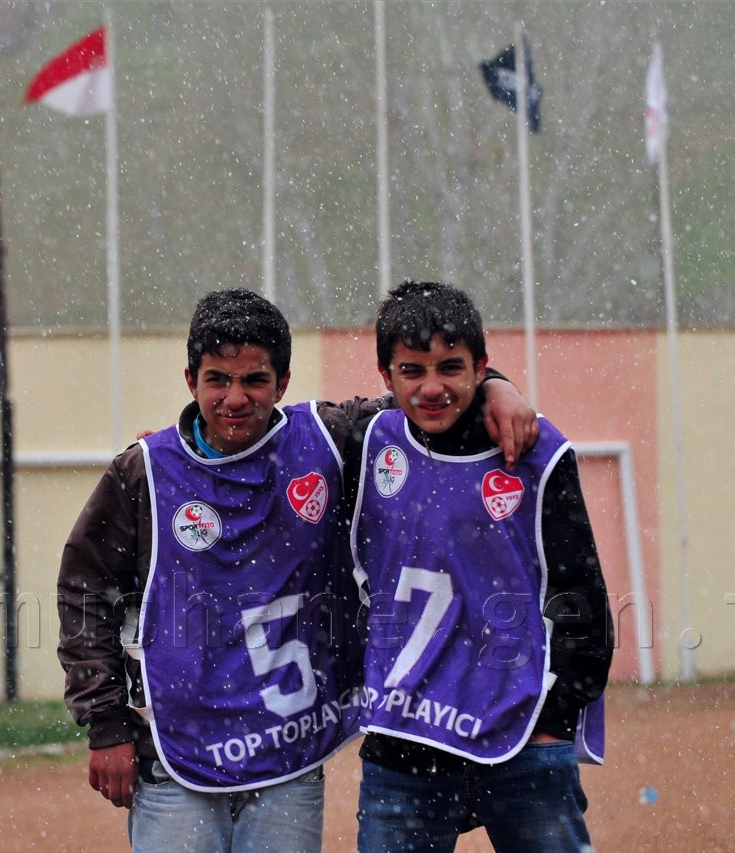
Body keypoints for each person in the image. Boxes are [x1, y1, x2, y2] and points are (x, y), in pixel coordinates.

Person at [57, 288, 537, 852]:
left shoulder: (328, 439)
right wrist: (107, 722)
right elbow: (84, 592)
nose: (235, 398)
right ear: (191, 380)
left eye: (254, 380)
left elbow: (425, 391)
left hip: (289, 752)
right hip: (176, 754)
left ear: (283, 382)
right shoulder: (143, 472)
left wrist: (495, 385)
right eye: (217, 380)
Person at [349, 280, 613, 852]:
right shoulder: (363, 442)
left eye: (451, 367)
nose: (432, 387)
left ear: (481, 366)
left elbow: (580, 597)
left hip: (520, 742)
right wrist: (170, 451)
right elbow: (260, 436)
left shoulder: (537, 453)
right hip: (403, 744)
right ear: (386, 375)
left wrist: (553, 722)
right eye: (412, 371)